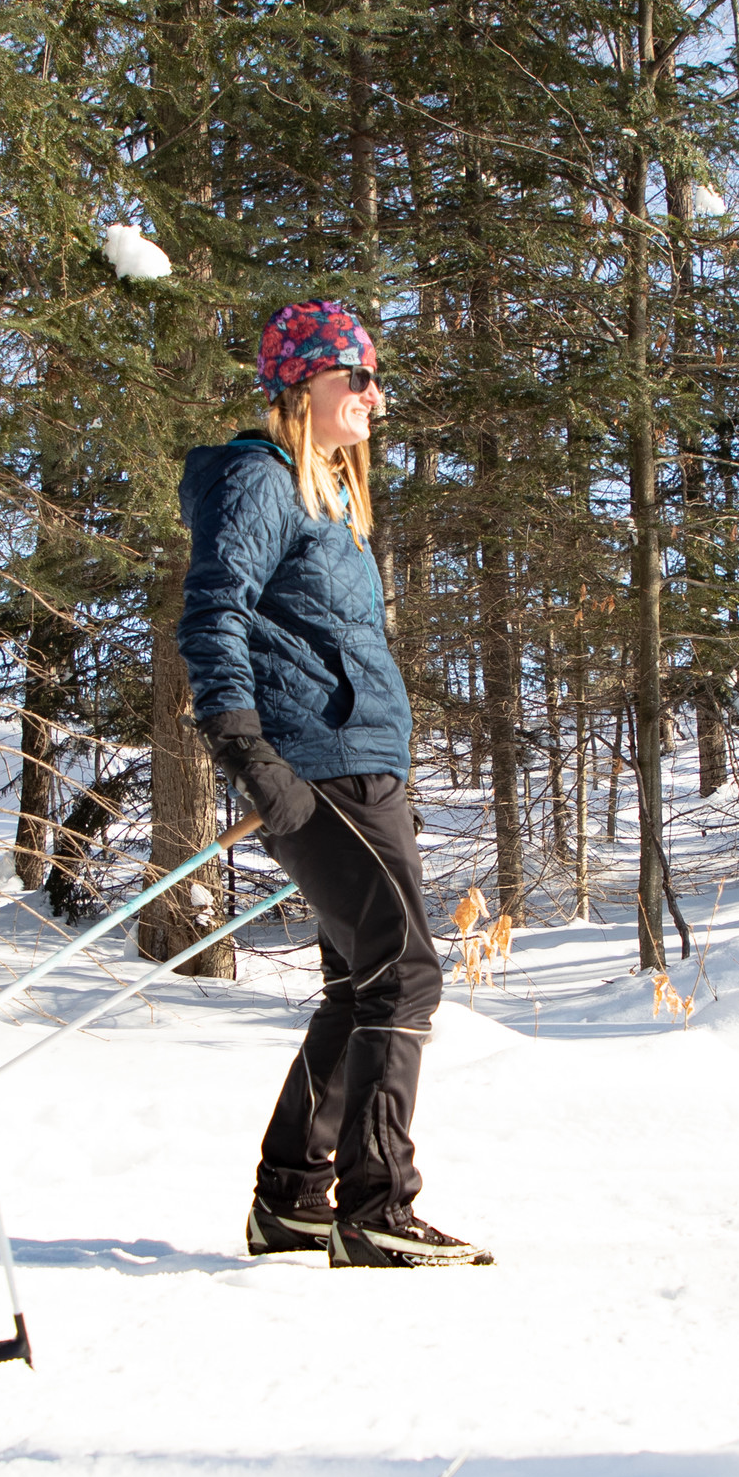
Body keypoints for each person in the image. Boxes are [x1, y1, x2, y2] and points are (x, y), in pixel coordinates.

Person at [176, 298, 491, 1270]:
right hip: (316, 765)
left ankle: (291, 1199)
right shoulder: (258, 478)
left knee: (360, 983)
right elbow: (212, 607)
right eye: (351, 376)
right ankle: (375, 1206)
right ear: (299, 386)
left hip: (361, 757)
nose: (370, 394)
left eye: (369, 376)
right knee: (403, 970)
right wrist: (242, 746)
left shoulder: (329, 502)